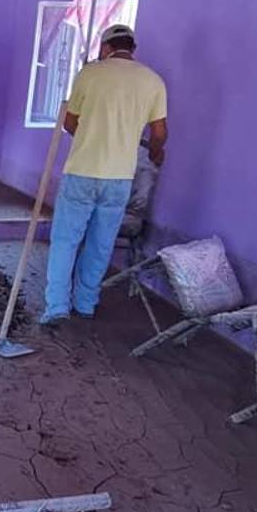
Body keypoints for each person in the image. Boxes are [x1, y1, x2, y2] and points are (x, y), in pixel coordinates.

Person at [40, 24, 167, 326]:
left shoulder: (91, 73)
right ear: (131, 48)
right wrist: (154, 153)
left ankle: (57, 305)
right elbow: (160, 132)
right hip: (120, 177)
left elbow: (70, 122)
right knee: (101, 243)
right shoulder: (153, 81)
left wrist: (90, 138)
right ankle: (86, 303)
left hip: (82, 171)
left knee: (66, 241)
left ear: (106, 47)